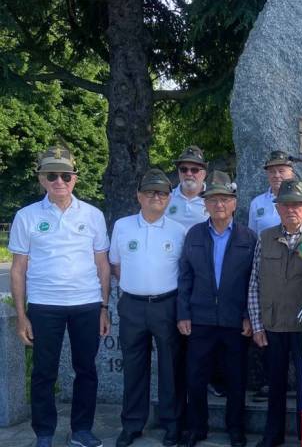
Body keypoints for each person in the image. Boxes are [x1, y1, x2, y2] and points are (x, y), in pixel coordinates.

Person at [8, 145, 111, 447]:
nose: (59, 181)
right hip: (44, 305)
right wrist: (22, 315)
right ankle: (44, 434)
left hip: (86, 304)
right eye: (51, 175)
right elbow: (17, 270)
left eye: (65, 175)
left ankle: (81, 430)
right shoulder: (26, 216)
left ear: (75, 179)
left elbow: (102, 265)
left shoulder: (93, 215)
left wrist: (104, 307)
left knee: (86, 370)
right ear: (41, 179)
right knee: (43, 372)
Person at [177, 171, 257, 447]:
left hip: (235, 320)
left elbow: (253, 282)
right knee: (196, 377)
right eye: (213, 200)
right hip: (200, 319)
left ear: (234, 203)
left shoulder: (249, 237)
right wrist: (183, 313)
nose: (219, 204)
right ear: (205, 204)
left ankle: (236, 428)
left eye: (224, 199)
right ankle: (196, 428)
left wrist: (249, 315)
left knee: (236, 378)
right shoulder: (194, 234)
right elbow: (185, 276)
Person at [110, 169, 186, 447]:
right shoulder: (122, 225)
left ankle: (172, 425)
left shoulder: (179, 230)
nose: (156, 197)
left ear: (168, 199)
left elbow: (183, 271)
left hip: (166, 306)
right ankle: (132, 424)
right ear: (138, 196)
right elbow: (116, 264)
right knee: (133, 368)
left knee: (170, 369)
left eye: (162, 193)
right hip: (132, 306)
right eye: (151, 192)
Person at [248, 179, 302, 447]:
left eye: (297, 205)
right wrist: (257, 324)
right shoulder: (265, 237)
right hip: (274, 323)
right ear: (277, 208)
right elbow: (254, 282)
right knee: (275, 384)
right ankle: (272, 434)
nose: (291, 209)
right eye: (285, 204)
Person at [248, 151, 298, 234]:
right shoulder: (257, 203)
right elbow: (252, 237)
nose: (276, 175)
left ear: (292, 173)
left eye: (281, 171)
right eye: (272, 171)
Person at [166, 145, 208, 231]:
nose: (188, 173)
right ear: (178, 172)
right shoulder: (165, 198)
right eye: (184, 169)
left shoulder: (215, 199)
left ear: (204, 174)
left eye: (194, 170)